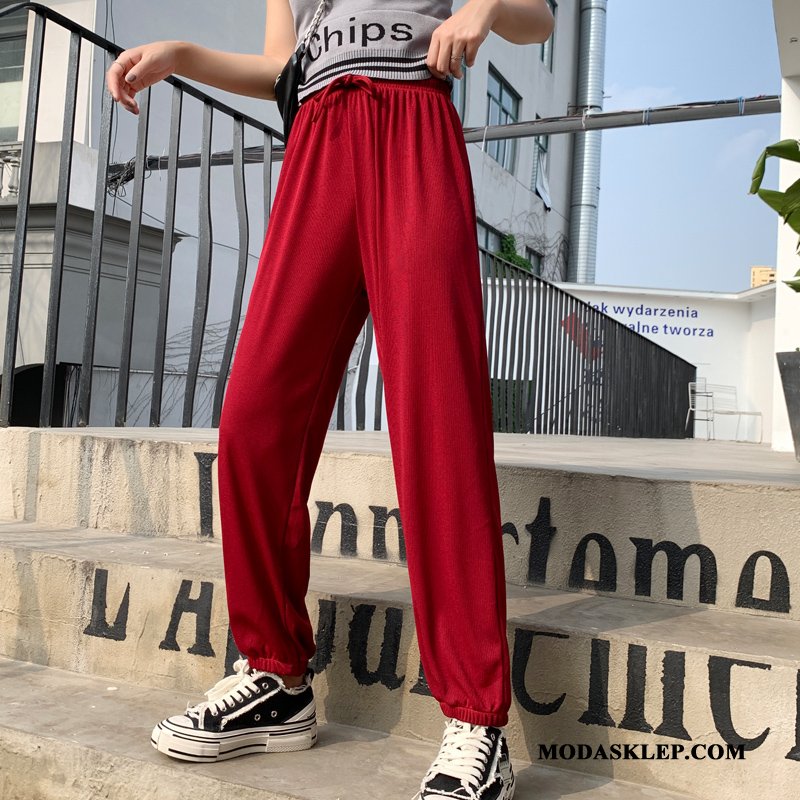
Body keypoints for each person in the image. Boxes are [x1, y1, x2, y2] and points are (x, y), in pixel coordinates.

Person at [106, 1, 554, 797]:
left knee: (439, 425)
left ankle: (476, 721)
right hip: (316, 147)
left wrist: (482, 10)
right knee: (254, 421)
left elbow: (539, 20)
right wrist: (181, 54)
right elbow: (284, 69)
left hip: (411, 123)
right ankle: (276, 676)